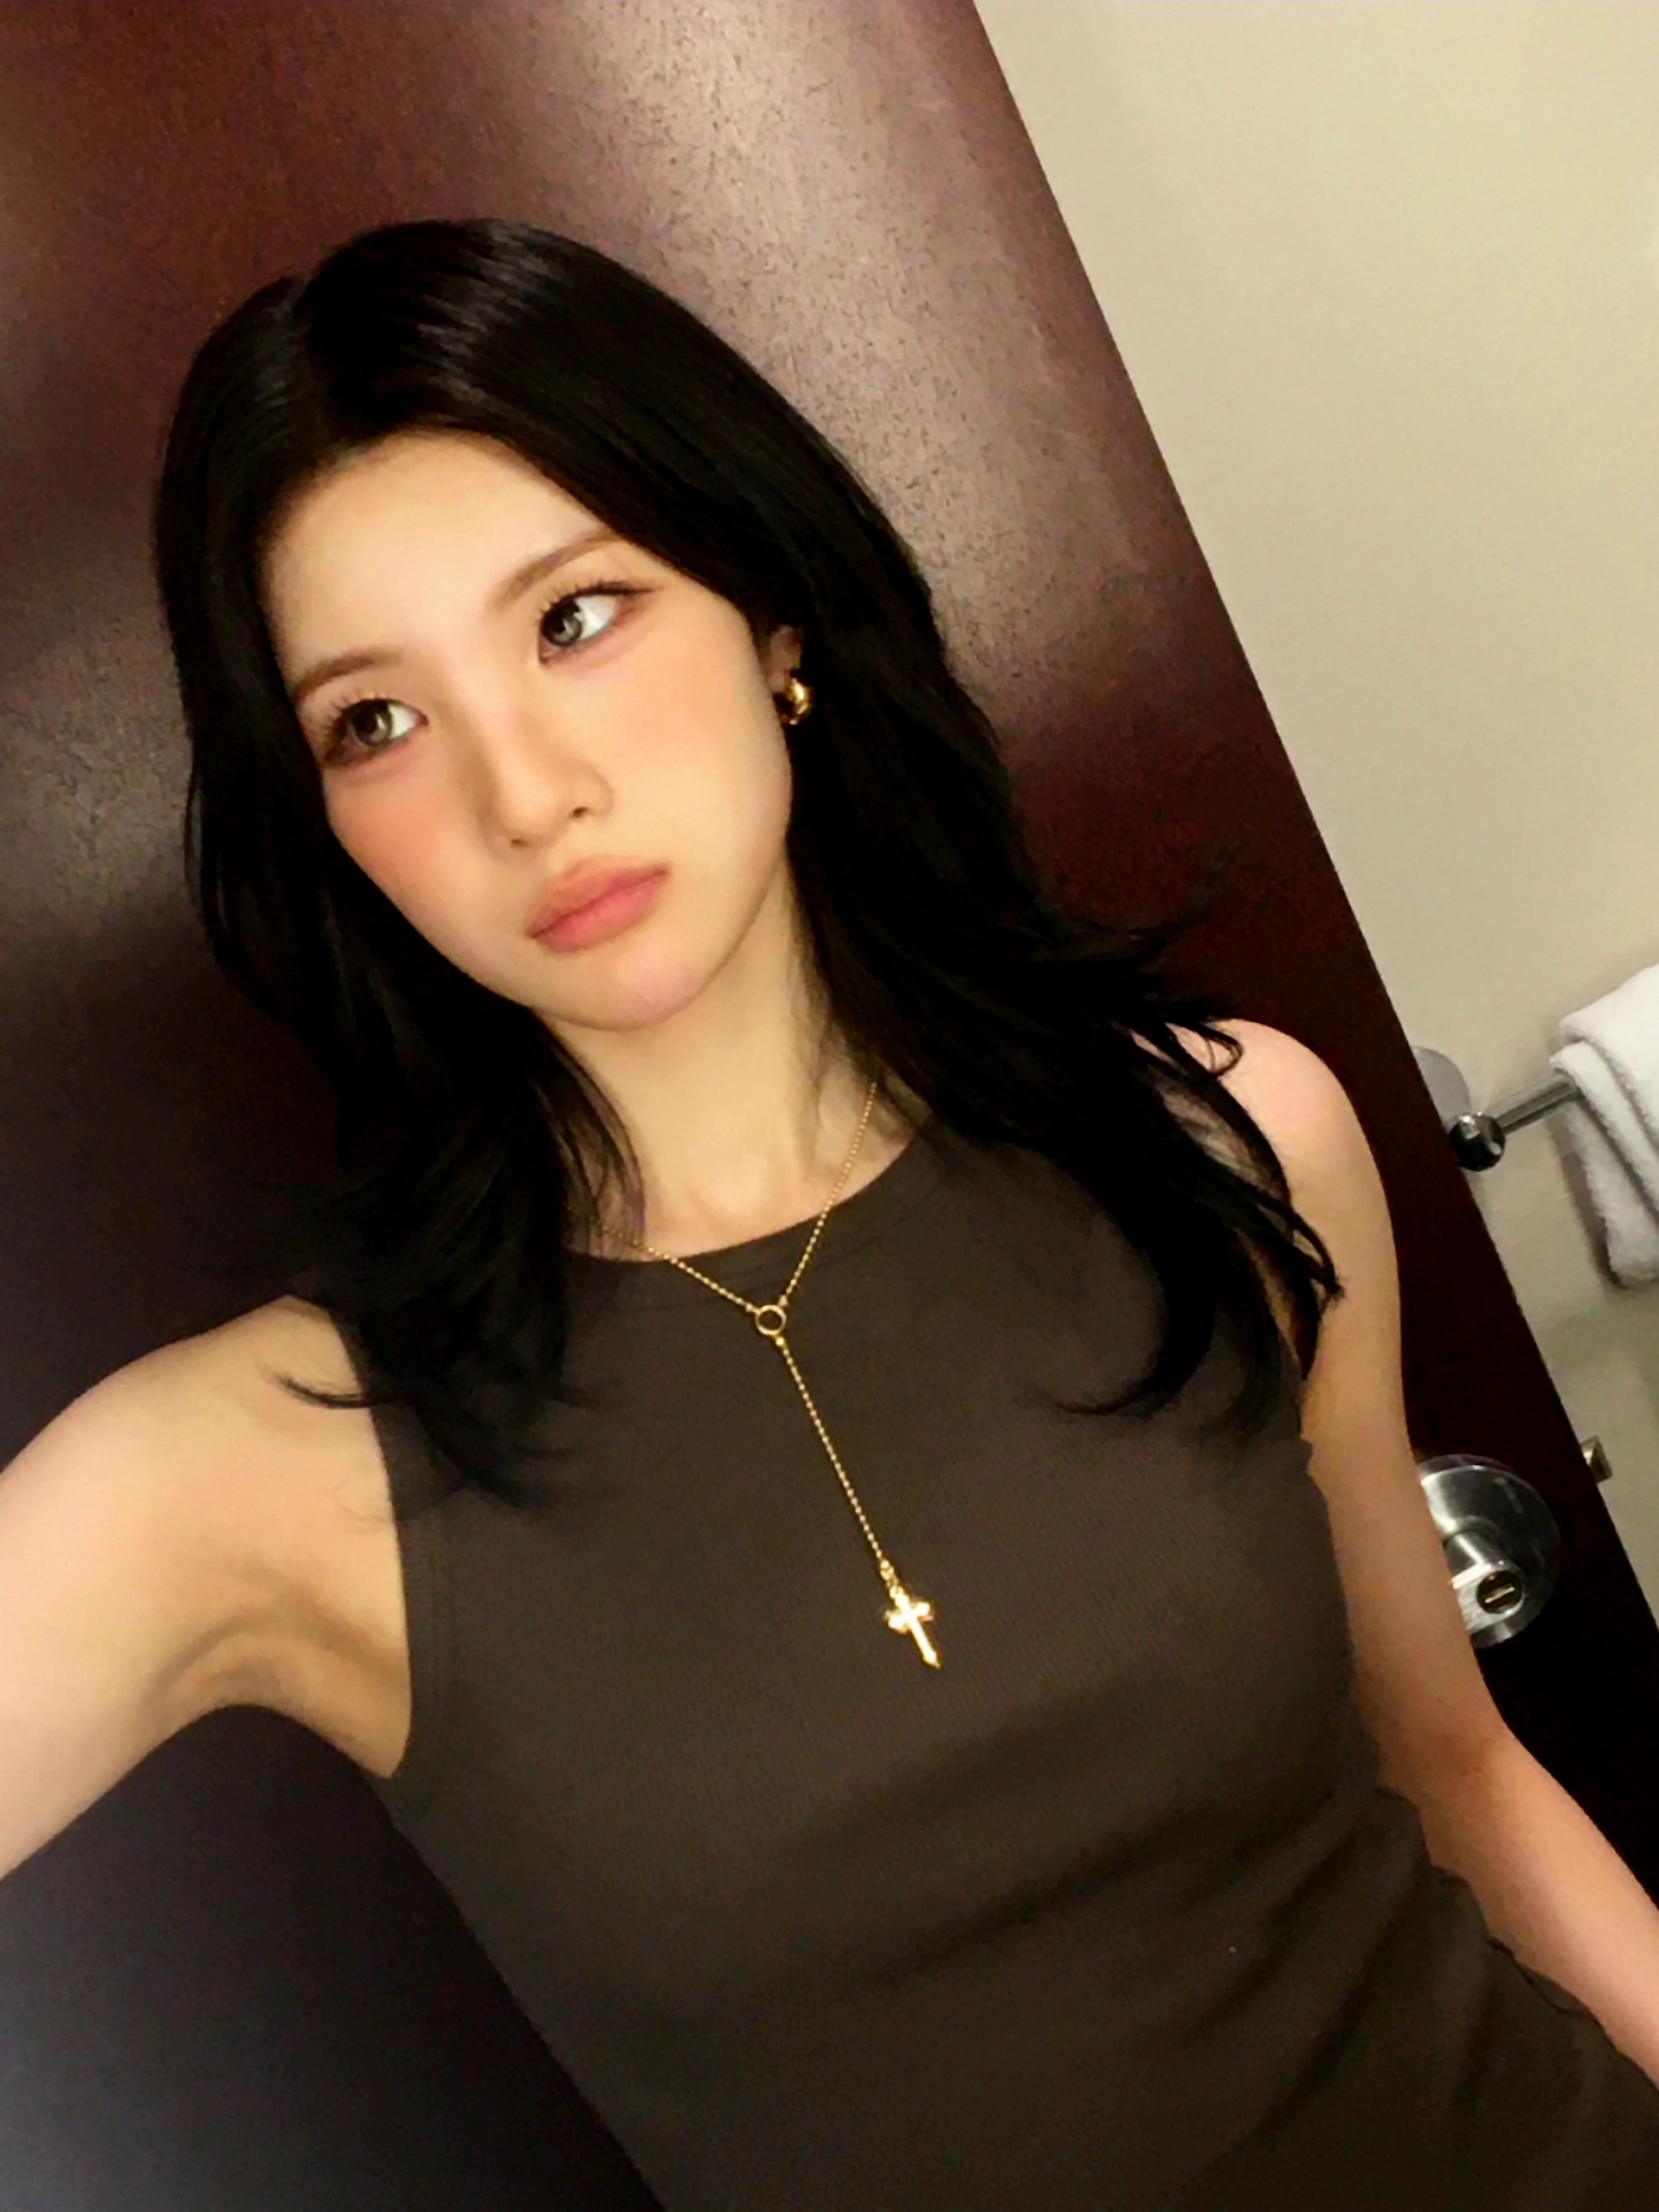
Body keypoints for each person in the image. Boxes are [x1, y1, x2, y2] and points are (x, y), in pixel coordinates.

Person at [3, 216, 1659, 2211]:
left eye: (577, 617)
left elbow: (1460, 1774)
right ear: (327, 824)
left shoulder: (1225, 1140)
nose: (524, 793)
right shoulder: (254, 1473)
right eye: (377, 720)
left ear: (772, 623)